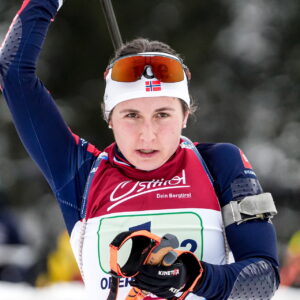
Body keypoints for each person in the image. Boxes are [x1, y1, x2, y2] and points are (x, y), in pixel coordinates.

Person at [0, 1, 280, 299]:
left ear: (185, 115)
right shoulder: (80, 173)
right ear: (109, 118)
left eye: (162, 114)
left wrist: (193, 275)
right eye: (131, 115)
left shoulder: (219, 164)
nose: (147, 135)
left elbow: (263, 278)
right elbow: (13, 72)